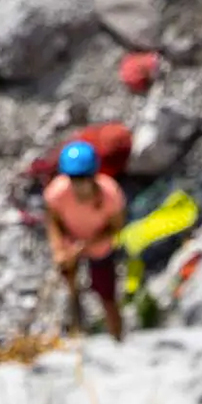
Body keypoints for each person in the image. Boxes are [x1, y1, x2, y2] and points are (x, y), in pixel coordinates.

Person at [44, 140, 127, 341]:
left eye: (83, 178)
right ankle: (77, 334)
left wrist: (87, 244)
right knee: (71, 289)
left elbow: (116, 226)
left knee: (107, 294)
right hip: (70, 246)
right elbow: (53, 221)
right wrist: (59, 249)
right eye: (74, 178)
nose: (78, 184)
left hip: (99, 248)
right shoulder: (57, 193)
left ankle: (117, 337)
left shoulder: (110, 194)